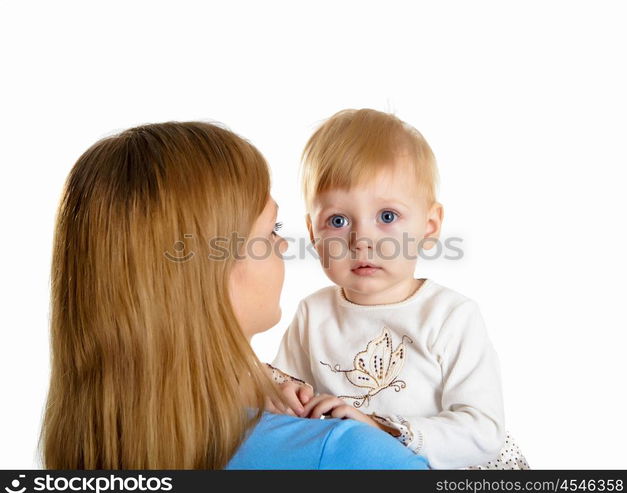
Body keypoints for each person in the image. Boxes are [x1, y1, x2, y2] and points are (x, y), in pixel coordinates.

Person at [39, 120, 430, 470]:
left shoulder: (91, 450)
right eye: (270, 230)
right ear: (205, 273)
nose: (283, 248)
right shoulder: (344, 453)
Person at [269, 109, 530, 470]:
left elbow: (484, 432)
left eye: (387, 217)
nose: (362, 241)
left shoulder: (450, 316)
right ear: (313, 235)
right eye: (338, 221)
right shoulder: (312, 314)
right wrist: (286, 397)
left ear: (429, 225)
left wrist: (384, 428)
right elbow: (289, 410)